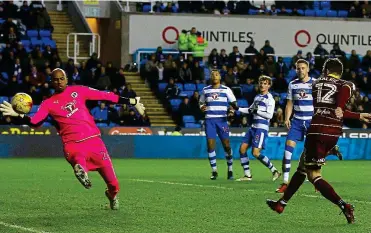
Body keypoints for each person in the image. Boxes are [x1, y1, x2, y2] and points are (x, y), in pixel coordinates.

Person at [0, 68, 145, 210]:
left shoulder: (79, 90)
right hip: (72, 144)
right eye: (55, 79)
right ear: (51, 82)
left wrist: (133, 102)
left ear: (67, 80)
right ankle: (80, 169)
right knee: (78, 158)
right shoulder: (48, 103)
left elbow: (105, 96)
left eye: (61, 78)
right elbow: (35, 122)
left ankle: (112, 195)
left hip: (94, 141)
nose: (59, 82)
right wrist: (19, 115)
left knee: (114, 184)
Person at [266, 58, 371, 224]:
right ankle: (282, 203)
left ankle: (344, 205)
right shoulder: (344, 83)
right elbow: (344, 94)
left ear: (327, 70)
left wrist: (339, 107)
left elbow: (329, 107)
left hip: (317, 130)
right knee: (302, 166)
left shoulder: (315, 84)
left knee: (314, 175)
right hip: (334, 132)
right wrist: (353, 112)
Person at [276, 59, 343, 193]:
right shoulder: (292, 84)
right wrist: (287, 118)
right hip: (297, 122)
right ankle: (285, 182)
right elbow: (289, 103)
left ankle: (317, 179)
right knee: (287, 152)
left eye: (302, 68)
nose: (300, 70)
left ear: (307, 69)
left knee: (313, 153)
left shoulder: (316, 83)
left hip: (312, 121)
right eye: (298, 68)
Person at [236, 75, 281, 182]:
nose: (262, 85)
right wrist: (237, 109)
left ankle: (275, 171)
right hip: (253, 128)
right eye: (261, 82)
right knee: (242, 149)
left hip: (261, 129)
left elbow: (269, 115)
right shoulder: (257, 97)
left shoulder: (270, 99)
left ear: (269, 85)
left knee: (255, 153)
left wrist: (257, 111)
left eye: (265, 83)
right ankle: (247, 175)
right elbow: (250, 110)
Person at [199, 70, 238, 180]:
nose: (214, 76)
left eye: (216, 74)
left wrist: (232, 110)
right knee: (210, 145)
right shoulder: (205, 90)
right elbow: (201, 102)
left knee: (226, 145)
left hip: (222, 120)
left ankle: (230, 169)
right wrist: (201, 107)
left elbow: (234, 103)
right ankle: (214, 171)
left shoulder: (226, 89)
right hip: (209, 120)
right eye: (212, 75)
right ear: (210, 77)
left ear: (220, 77)